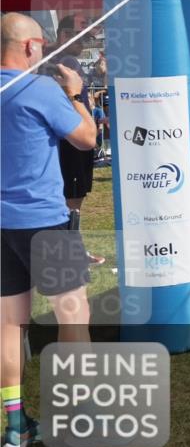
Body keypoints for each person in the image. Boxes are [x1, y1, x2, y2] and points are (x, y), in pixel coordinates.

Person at [1, 13, 97, 447]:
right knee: (73, 318)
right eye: (40, 42)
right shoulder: (40, 89)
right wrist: (75, 95)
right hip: (44, 221)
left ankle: (15, 428)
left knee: (8, 326)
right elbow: (86, 139)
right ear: (28, 46)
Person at [52, 16, 104, 264]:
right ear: (64, 35)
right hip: (73, 138)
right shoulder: (65, 61)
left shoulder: (62, 60)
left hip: (73, 136)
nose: (84, 44)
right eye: (80, 38)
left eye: (86, 39)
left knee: (74, 199)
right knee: (72, 200)